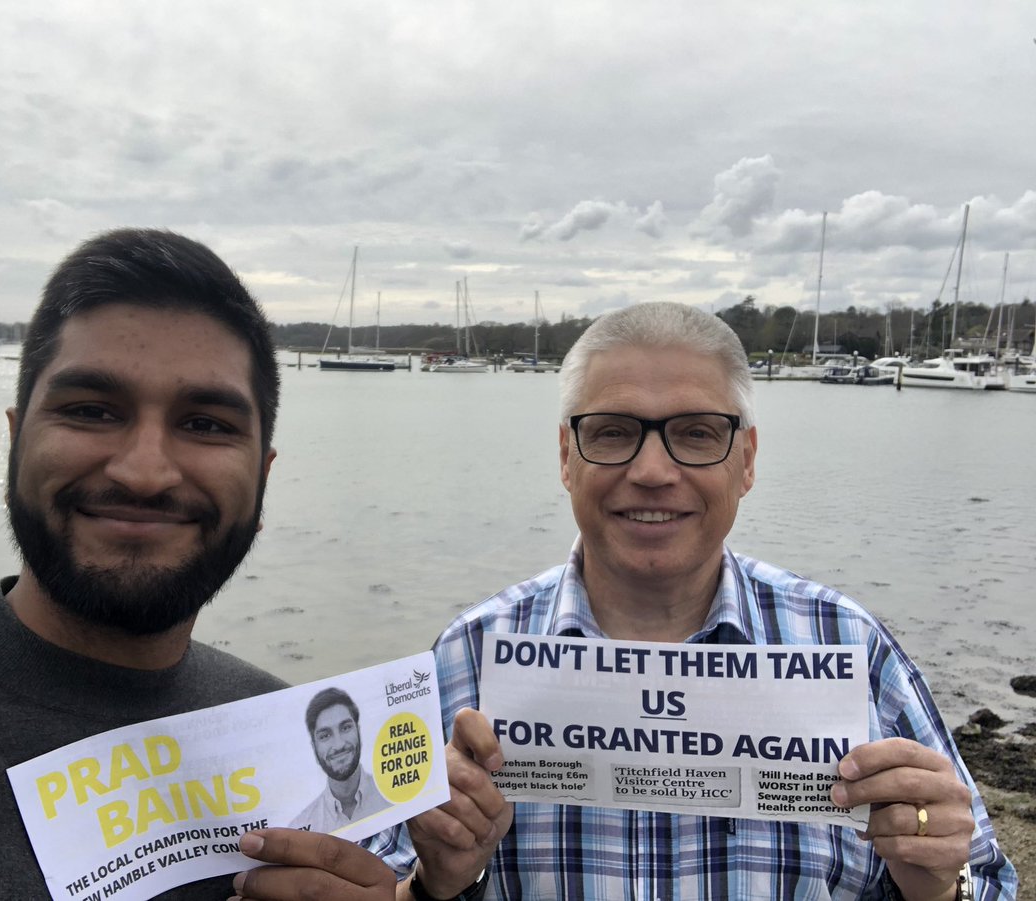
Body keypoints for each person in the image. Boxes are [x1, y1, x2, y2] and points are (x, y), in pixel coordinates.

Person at [0, 228, 470, 901]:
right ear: (16, 440)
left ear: (263, 477)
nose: (143, 471)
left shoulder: (285, 734)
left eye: (205, 423)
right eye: (90, 410)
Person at [371, 303, 1017, 900]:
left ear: (747, 460)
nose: (652, 469)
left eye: (698, 433)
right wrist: (437, 883)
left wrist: (936, 885)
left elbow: (986, 878)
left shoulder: (852, 645)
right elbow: (379, 879)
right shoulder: (466, 657)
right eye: (615, 431)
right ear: (567, 456)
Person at [291, 687, 392, 832]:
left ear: (359, 731)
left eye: (345, 728)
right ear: (314, 747)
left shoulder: (395, 798)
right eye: (325, 736)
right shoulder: (300, 827)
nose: (338, 745)